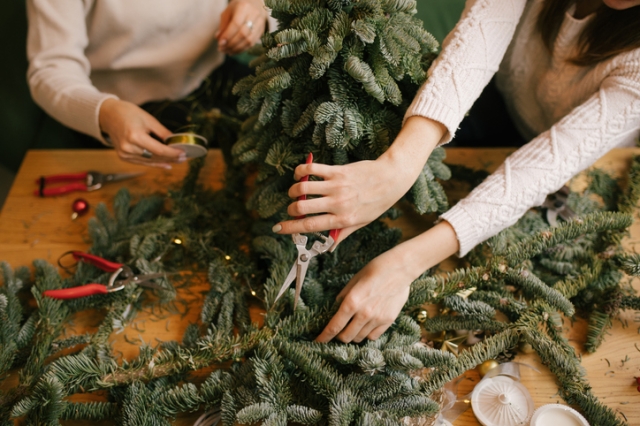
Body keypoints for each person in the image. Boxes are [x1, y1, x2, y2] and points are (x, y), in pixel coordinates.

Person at [271, 0, 640, 343]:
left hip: (572, 159)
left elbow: (546, 167)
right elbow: (478, 38)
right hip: (494, 98)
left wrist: (405, 264)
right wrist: (397, 168)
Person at [26, 0, 273, 169]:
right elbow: (50, 70)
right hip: (128, 108)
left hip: (214, 68)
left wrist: (257, 7)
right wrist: (104, 112)